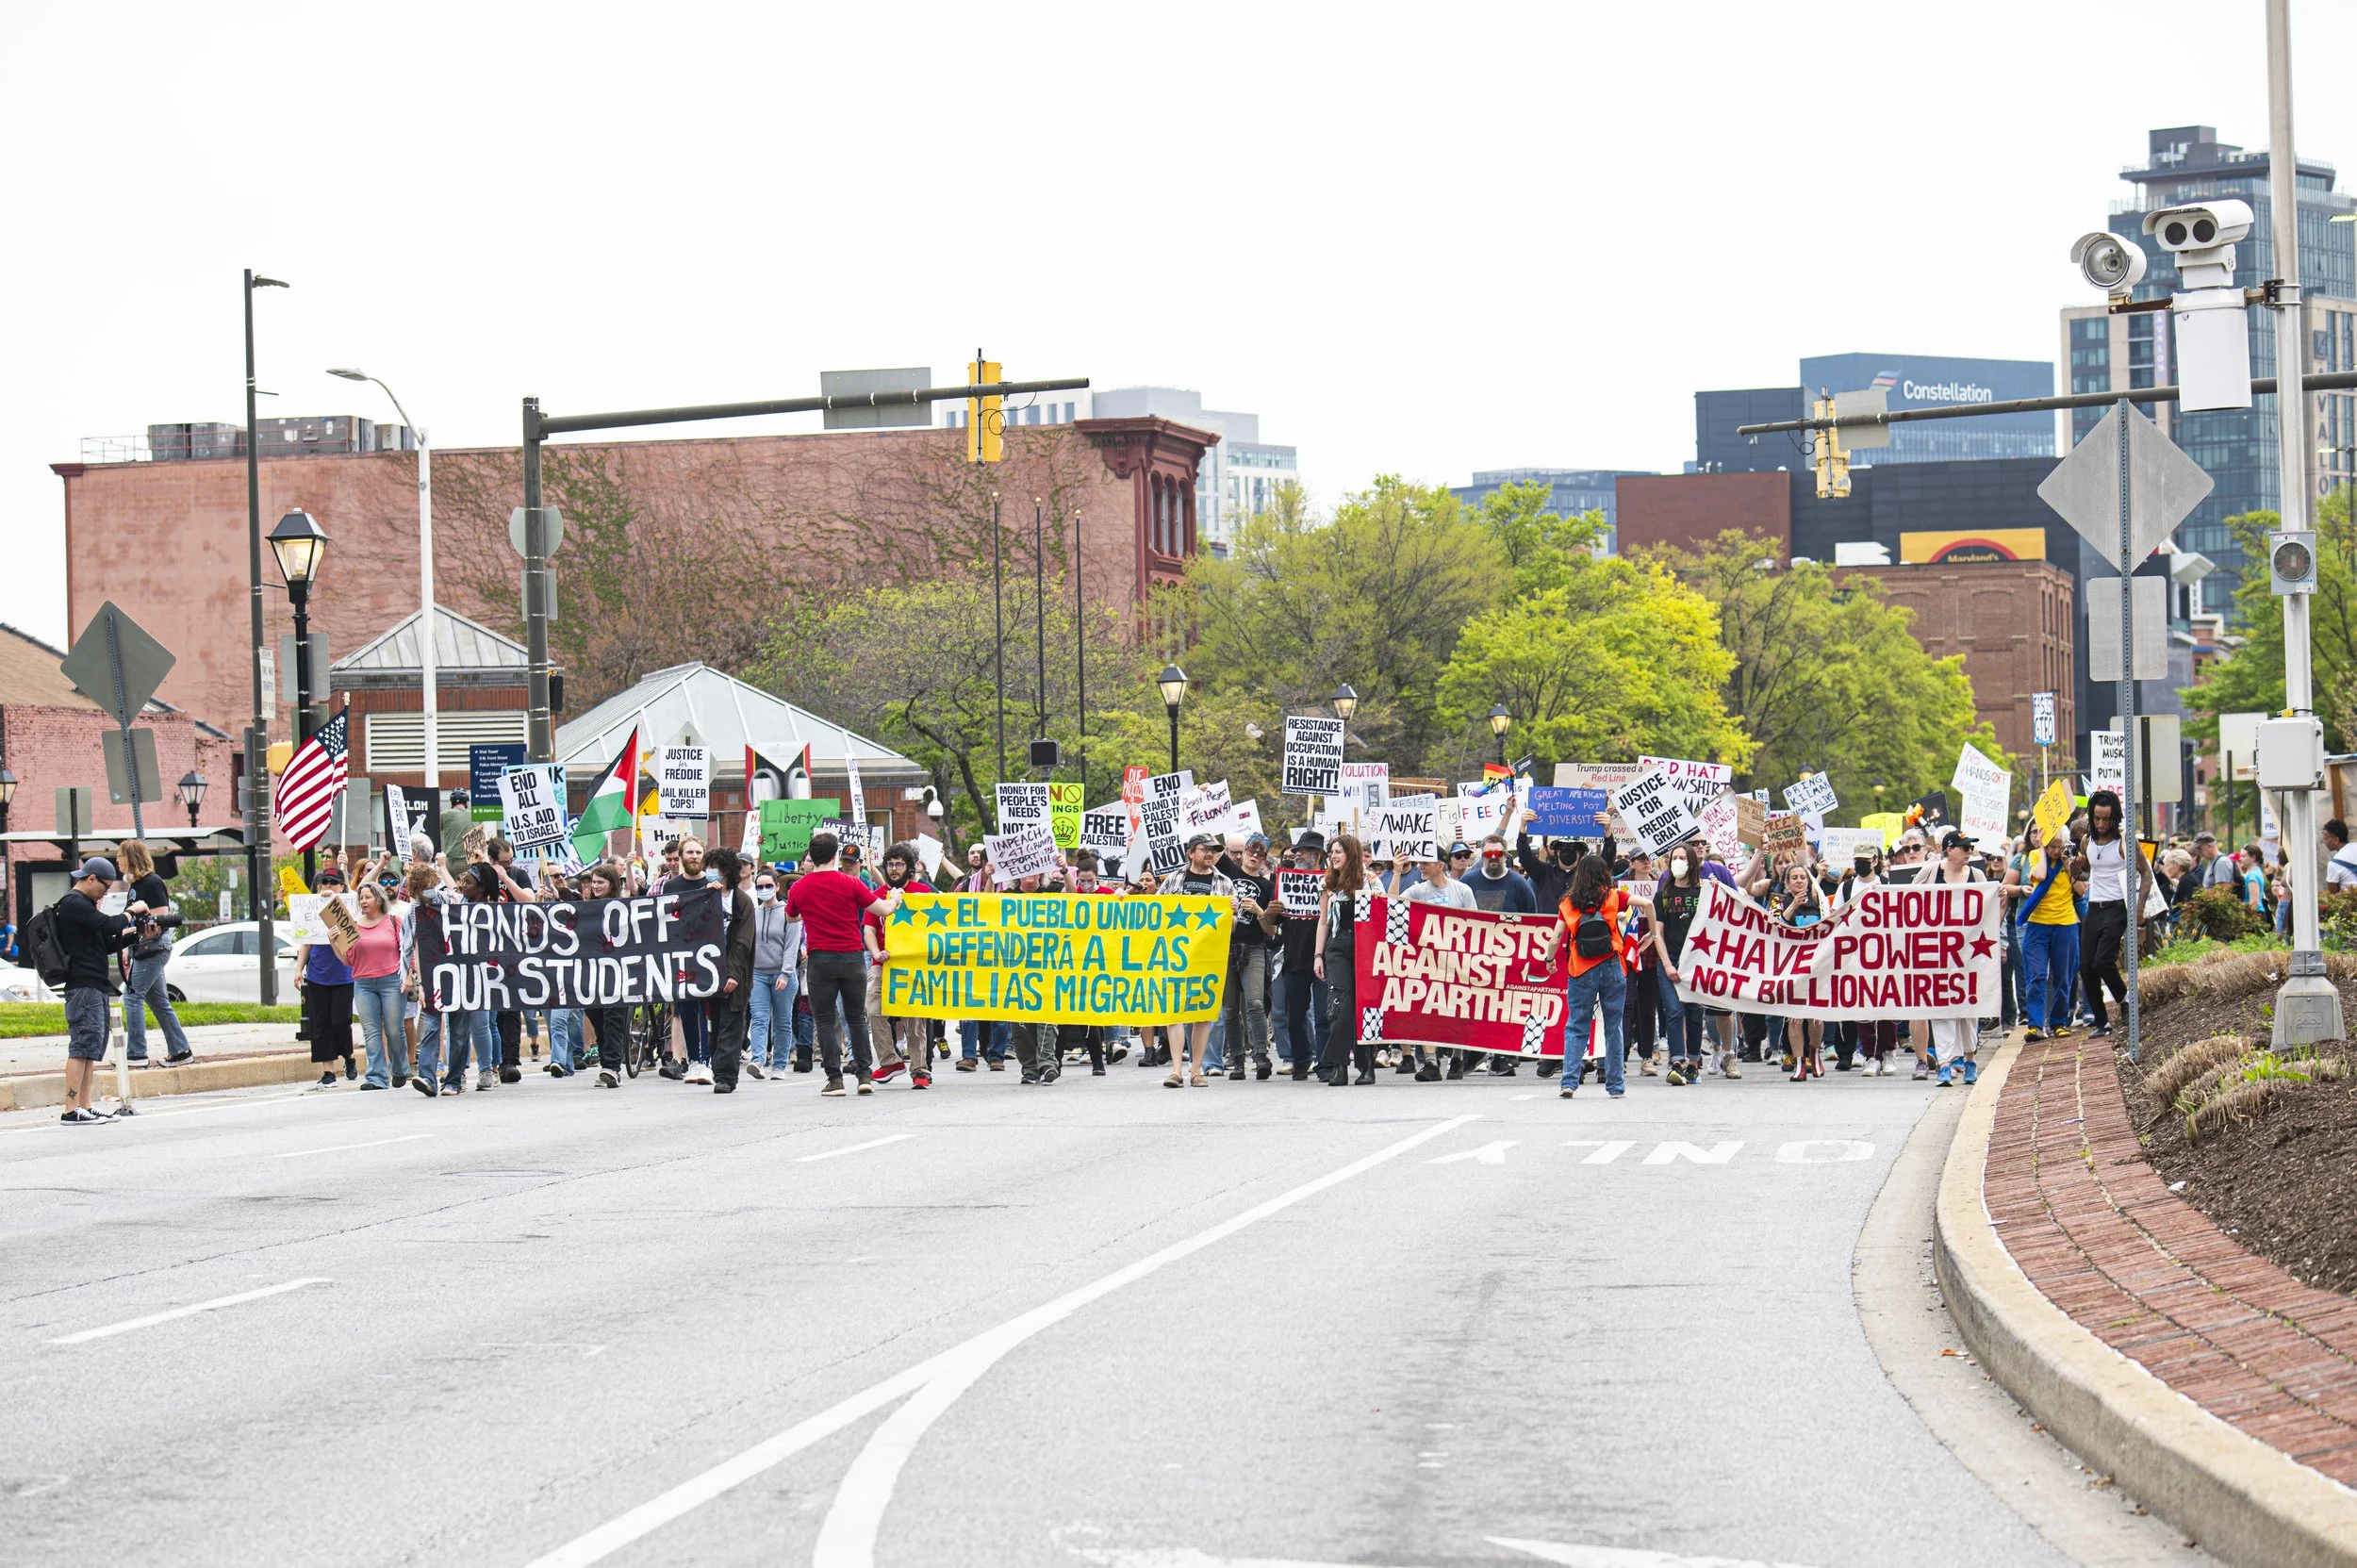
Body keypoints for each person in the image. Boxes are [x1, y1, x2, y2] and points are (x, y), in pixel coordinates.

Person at [786, 831, 896, 1096]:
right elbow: (883, 909)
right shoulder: (850, 883)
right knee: (857, 1017)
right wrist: (896, 898)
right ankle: (865, 1075)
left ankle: (834, 1079)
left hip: (820, 959)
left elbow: (791, 917)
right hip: (852, 957)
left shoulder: (799, 887)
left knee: (825, 1020)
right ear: (835, 856)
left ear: (811, 857)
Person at [54, 856, 145, 1122]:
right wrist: (132, 911)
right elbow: (109, 925)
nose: (105, 893)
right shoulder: (73, 903)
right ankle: (70, 1109)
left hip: (93, 985)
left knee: (91, 1048)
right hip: (82, 986)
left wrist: (135, 934)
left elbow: (104, 943)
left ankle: (85, 1105)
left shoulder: (83, 906)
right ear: (91, 879)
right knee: (81, 1046)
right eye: (105, 887)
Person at [1551, 852, 1627, 1099]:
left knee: (1577, 1025)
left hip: (1581, 967)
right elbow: (1647, 904)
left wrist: (1549, 960)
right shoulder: (1614, 896)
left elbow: (1556, 937)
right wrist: (1653, 936)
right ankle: (1615, 1085)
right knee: (1613, 1026)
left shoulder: (1568, 902)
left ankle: (1569, 1082)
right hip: (1611, 963)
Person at [1400, 844, 1476, 1080]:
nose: (1420, 867)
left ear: (1440, 865)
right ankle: (1431, 1063)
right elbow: (1392, 904)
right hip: (1427, 962)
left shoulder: (1462, 891)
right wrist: (1396, 873)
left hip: (1455, 961)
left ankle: (1457, 1058)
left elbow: (1475, 924)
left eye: (1425, 863)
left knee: (1457, 1011)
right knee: (1426, 1009)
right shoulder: (1418, 890)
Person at [114, 838, 192, 1067]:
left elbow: (160, 920)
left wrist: (144, 931)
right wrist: (127, 947)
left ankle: (136, 1054)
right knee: (159, 1003)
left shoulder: (152, 882)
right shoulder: (135, 886)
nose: (117, 860)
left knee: (132, 996)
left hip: (154, 948)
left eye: (120, 856)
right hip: (143, 949)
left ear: (131, 858)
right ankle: (181, 1050)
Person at [864, 843, 932, 1088]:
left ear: (910, 867)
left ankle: (920, 1070)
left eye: (899, 864)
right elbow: (869, 930)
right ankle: (890, 1062)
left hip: (913, 964)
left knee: (914, 1017)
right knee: (873, 1009)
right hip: (882, 963)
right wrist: (876, 953)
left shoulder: (923, 893)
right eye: (890, 864)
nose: (894, 869)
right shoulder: (877, 895)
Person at [1924, 830, 1990, 1085]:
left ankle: (1970, 1059)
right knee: (1941, 1008)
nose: (1969, 852)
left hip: (1970, 954)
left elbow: (1988, 912)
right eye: (1964, 848)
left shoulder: (1977, 875)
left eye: (1971, 848)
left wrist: (2000, 900)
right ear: (1949, 850)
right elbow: (1908, 901)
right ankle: (1944, 1064)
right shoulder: (1931, 873)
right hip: (1938, 954)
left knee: (1968, 1008)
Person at [2076, 791, 2142, 1041]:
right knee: (2086, 966)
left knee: (2103, 961)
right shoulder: (2087, 841)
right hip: (2094, 907)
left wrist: (2139, 909)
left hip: (2118, 907)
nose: (2101, 823)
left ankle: (2125, 999)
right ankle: (2102, 1022)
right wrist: (2075, 869)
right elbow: (2086, 872)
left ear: (2115, 818)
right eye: (2097, 818)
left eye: (2106, 819)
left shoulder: (2125, 842)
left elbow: (2146, 875)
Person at [2006, 826, 2080, 1044]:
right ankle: (2036, 1025)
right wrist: (2041, 848)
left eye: (2059, 846)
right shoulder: (2035, 855)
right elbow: (2039, 875)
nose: (2055, 851)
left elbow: (2081, 889)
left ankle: (2059, 1022)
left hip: (2065, 923)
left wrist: (2068, 865)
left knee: (2062, 976)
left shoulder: (2071, 859)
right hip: (2038, 924)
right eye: (2051, 846)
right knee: (2036, 974)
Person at [1217, 834, 1280, 1082]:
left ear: (1265, 859)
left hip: (1253, 947)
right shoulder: (1228, 873)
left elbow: (1271, 931)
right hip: (1225, 947)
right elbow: (1213, 843)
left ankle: (1261, 1055)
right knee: (1230, 1008)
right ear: (1242, 853)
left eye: (1260, 854)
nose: (1255, 856)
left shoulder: (1267, 887)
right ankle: (1237, 1059)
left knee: (1255, 1002)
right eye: (1251, 851)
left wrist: (1260, 911)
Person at [1313, 834, 1375, 1086]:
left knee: (1364, 1005)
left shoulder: (1369, 880)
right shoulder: (1328, 883)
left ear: (1351, 853)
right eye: (1331, 852)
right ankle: (1339, 1066)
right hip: (1337, 946)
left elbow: (1388, 906)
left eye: (1338, 851)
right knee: (1339, 1004)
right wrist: (1318, 955)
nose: (1333, 856)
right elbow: (1323, 921)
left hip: (1365, 946)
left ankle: (1367, 1066)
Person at [294, 866, 358, 1088]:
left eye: (333, 882)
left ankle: (349, 1056)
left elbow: (354, 932)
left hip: (343, 975)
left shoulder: (350, 906)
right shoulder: (311, 907)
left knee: (340, 1022)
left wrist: (336, 900)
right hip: (317, 976)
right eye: (325, 882)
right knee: (320, 1024)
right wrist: (298, 969)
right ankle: (328, 1072)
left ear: (342, 886)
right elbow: (306, 941)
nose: (328, 886)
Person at [1271, 832, 1328, 1080]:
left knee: (1324, 1015)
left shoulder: (1330, 881)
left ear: (1318, 854)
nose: (1299, 854)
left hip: (1323, 958)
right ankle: (1301, 1060)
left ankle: (1325, 1064)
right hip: (1294, 956)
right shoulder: (1285, 882)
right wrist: (1269, 912)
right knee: (1295, 1015)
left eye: (1304, 850)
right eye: (1297, 850)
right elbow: (1272, 923)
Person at [661, 837, 716, 1083]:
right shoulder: (671, 886)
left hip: (709, 956)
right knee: (686, 1010)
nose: (694, 856)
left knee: (706, 1011)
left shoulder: (713, 883)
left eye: (698, 852)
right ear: (681, 856)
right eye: (689, 852)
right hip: (681, 955)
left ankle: (707, 1062)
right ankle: (694, 1061)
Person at [347, 879, 408, 1089]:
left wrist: (410, 976)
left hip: (391, 981)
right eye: (361, 898)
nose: (363, 901)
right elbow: (348, 959)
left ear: (379, 899)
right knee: (371, 1031)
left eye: (368, 897)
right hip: (363, 983)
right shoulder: (354, 926)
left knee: (394, 1031)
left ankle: (400, 1068)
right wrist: (333, 942)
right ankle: (376, 1077)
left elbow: (408, 950)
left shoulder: (394, 921)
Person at [705, 847, 757, 1094]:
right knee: (715, 1026)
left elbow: (742, 942)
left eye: (715, 867)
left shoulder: (742, 902)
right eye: (708, 867)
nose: (710, 872)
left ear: (727, 871)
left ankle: (726, 1076)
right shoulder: (705, 897)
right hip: (708, 972)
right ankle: (717, 1068)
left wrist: (734, 973)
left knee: (731, 1024)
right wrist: (706, 898)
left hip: (734, 974)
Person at [747, 867, 802, 1078]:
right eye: (760, 887)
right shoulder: (753, 914)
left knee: (782, 1021)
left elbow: (791, 946)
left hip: (782, 974)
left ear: (777, 886)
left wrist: (786, 973)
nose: (764, 890)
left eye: (768, 886)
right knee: (759, 1018)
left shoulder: (789, 913)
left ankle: (779, 1065)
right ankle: (758, 1060)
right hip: (758, 974)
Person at [437, 790, 472, 857]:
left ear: (452, 803)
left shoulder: (444, 815)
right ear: (466, 803)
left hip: (451, 859)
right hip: (471, 859)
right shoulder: (474, 815)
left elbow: (434, 832)